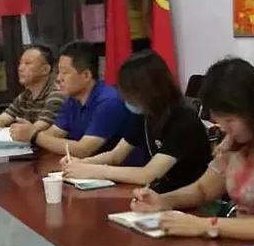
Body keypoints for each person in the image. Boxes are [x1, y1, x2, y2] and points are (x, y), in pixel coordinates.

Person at [130, 57, 254, 246]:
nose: (224, 128)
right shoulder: (239, 140)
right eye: (219, 120)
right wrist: (164, 200)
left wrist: (206, 226)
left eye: (229, 120)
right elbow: (203, 190)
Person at [62, 51, 210, 193]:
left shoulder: (183, 121)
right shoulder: (143, 115)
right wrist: (82, 163)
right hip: (156, 196)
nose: (125, 98)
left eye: (129, 92)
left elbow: (148, 174)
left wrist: (94, 171)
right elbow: (116, 156)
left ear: (147, 91)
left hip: (186, 199)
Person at [23, 40, 134, 158]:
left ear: (86, 75)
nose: (58, 78)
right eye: (58, 72)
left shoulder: (109, 101)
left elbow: (84, 149)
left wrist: (34, 135)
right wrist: (29, 134)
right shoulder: (73, 100)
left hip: (116, 168)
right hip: (83, 166)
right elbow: (54, 134)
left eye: (65, 72)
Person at [0, 44, 65, 134]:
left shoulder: (56, 94)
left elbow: (36, 129)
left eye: (27, 63)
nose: (20, 68)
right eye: (20, 63)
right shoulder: (25, 95)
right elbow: (3, 118)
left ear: (45, 69)